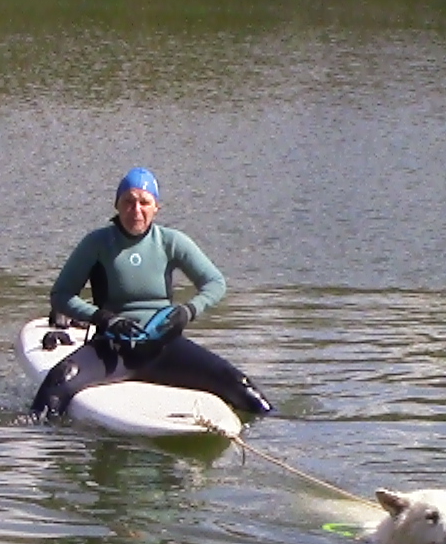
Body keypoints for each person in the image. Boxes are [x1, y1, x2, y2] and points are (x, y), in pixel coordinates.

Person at [31, 167, 273, 420]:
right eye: (128, 201)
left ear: (156, 207)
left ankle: (273, 429)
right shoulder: (97, 244)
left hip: (164, 348)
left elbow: (215, 283)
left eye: (144, 202)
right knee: (59, 379)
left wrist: (188, 311)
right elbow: (61, 295)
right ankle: (44, 441)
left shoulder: (171, 241)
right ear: (117, 205)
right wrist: (103, 318)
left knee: (239, 384)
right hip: (112, 349)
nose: (136, 210)